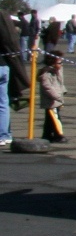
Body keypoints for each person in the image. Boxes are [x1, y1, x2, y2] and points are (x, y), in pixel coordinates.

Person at [2, 9, 29, 152]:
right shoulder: (6, 27)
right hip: (5, 66)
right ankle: (5, 134)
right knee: (3, 103)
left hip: (3, 67)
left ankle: (4, 134)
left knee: (3, 103)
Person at [37, 48, 67, 144]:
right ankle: (59, 135)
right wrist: (58, 97)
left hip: (57, 99)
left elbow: (60, 83)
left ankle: (47, 135)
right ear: (52, 63)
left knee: (49, 119)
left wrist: (63, 91)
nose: (61, 65)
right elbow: (48, 88)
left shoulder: (57, 71)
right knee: (56, 119)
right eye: (59, 63)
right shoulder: (46, 74)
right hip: (51, 100)